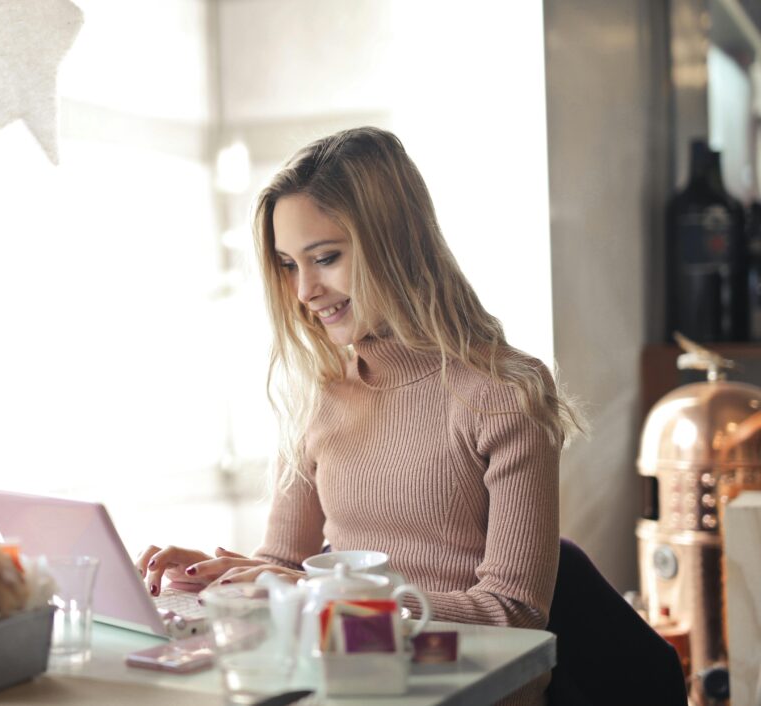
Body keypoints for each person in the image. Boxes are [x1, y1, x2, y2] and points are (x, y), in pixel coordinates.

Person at [136, 127, 582, 705]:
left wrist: (325, 596)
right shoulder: (320, 393)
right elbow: (284, 564)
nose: (304, 291)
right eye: (288, 265)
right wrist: (221, 578)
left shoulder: (503, 391)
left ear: (394, 242)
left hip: (468, 686)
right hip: (348, 680)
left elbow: (513, 613)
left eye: (324, 258)